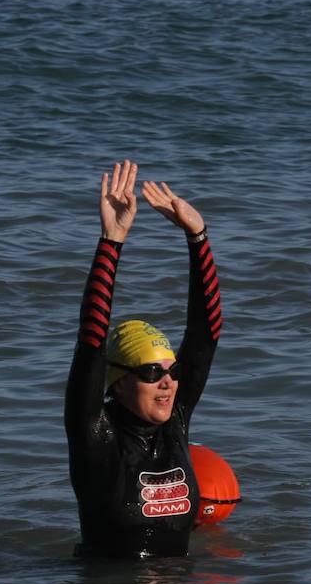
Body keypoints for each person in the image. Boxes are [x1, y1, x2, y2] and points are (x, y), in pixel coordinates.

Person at [64, 160, 223, 558]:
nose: (168, 382)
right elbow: (90, 343)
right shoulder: (95, 436)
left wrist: (198, 237)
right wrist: (111, 241)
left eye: (171, 371)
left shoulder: (176, 420)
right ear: (117, 381)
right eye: (152, 373)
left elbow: (205, 333)